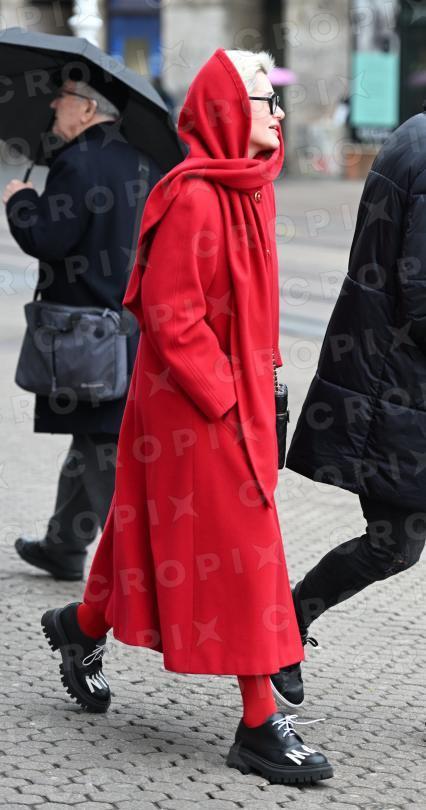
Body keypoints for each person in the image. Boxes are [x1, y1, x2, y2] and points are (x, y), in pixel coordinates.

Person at [39, 49, 333, 786]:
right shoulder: (195, 195)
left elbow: (247, 308)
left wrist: (264, 380)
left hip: (229, 400)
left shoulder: (251, 189)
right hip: (196, 407)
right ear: (229, 109)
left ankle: (80, 626)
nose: (277, 112)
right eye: (264, 98)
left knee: (141, 528)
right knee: (248, 554)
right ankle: (259, 724)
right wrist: (229, 399)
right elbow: (171, 315)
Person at [271, 109, 426, 708]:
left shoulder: (412, 134)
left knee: (395, 542)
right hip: (398, 388)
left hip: (394, 382)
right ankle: (286, 618)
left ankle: (287, 618)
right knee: (393, 544)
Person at [3, 77, 161, 581]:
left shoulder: (77, 162)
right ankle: (64, 545)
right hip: (132, 328)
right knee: (97, 437)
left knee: (102, 445)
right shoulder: (145, 162)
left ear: (88, 109)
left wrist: (21, 202)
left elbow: (48, 239)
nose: (54, 103)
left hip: (84, 333)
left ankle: (142, 563)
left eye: (64, 97)